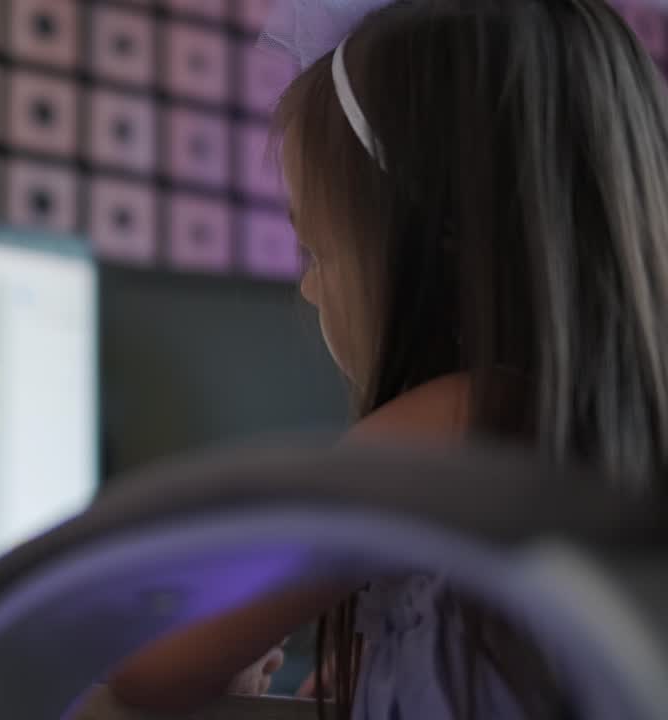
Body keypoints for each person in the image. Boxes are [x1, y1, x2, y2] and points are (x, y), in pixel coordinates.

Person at [109, 0, 668, 717]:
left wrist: (229, 652)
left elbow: (154, 668)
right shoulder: (601, 453)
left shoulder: (454, 425)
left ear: (442, 245)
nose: (309, 287)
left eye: (318, 251)